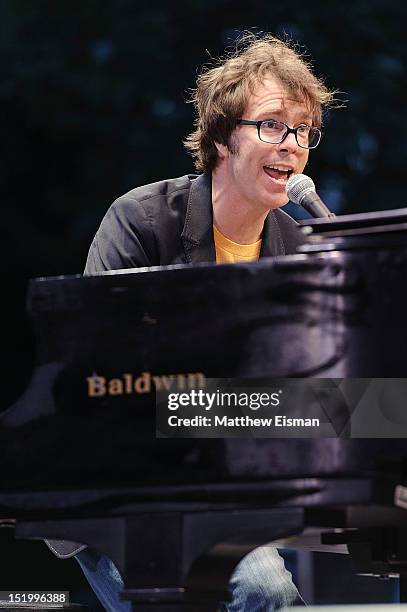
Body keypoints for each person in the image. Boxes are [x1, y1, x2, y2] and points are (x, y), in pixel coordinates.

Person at [57, 32, 337, 611]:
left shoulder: (302, 247)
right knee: (261, 590)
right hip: (120, 485)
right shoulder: (141, 222)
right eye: (272, 125)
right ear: (221, 138)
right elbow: (98, 381)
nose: (292, 144)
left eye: (303, 131)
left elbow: (319, 397)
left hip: (232, 487)